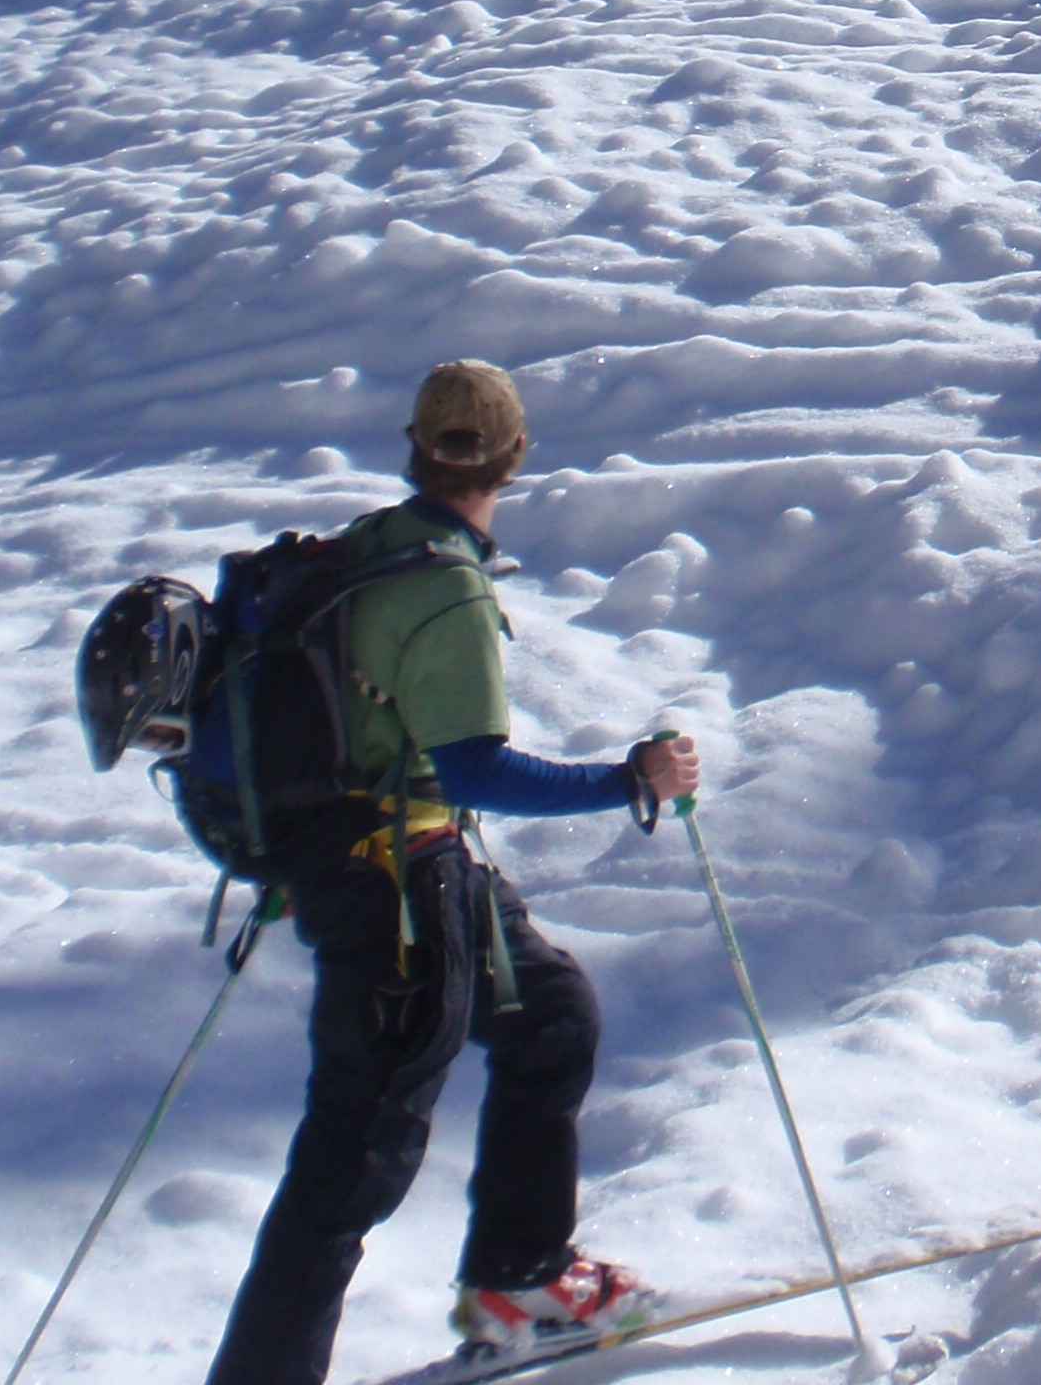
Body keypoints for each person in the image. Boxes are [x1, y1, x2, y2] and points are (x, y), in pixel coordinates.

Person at [203, 358, 704, 1385]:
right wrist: (632, 781)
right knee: (352, 1160)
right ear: (516, 456)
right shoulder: (441, 583)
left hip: (409, 871)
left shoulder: (374, 548)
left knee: (554, 1013)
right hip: (394, 898)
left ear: (417, 447)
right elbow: (476, 766)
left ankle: (520, 1282)